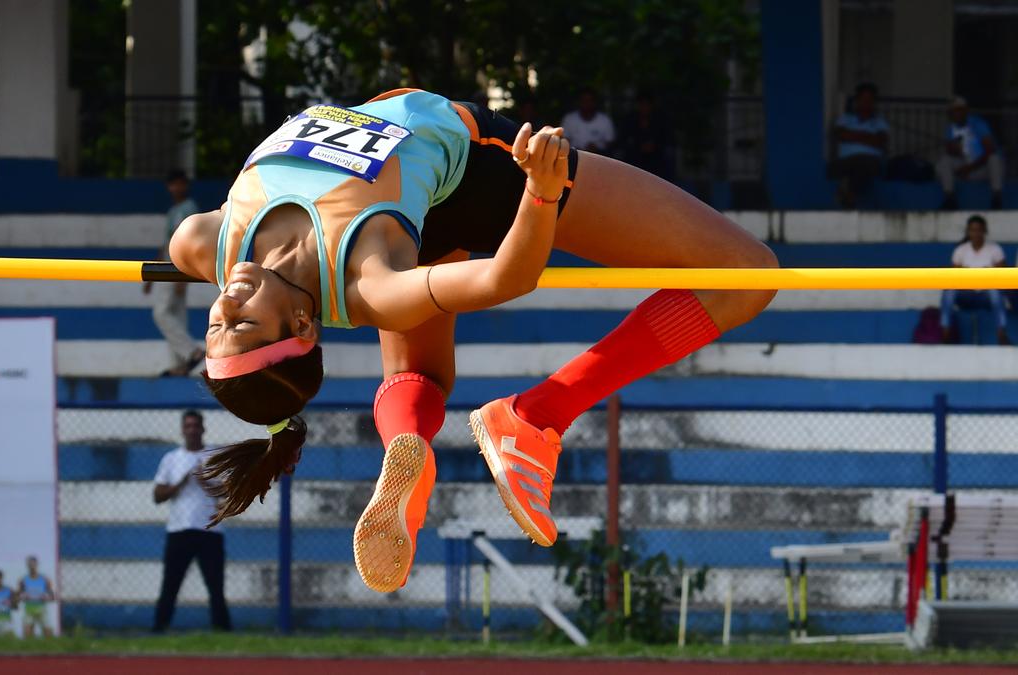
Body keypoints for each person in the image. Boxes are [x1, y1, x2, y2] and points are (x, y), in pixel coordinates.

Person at [170, 88, 776, 594]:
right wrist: (540, 189)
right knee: (747, 273)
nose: (225, 302)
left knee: (422, 381)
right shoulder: (370, 283)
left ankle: (408, 442)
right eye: (243, 322)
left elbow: (214, 278)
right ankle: (539, 415)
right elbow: (504, 278)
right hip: (480, 173)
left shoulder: (201, 244)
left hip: (418, 203)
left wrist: (243, 320)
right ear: (303, 326)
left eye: (216, 324)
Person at [151, 409, 232, 633]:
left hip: (209, 531)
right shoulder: (171, 459)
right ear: (182, 430)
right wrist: (182, 482)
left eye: (196, 426)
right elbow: (158, 496)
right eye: (188, 426)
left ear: (203, 429)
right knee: (171, 583)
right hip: (179, 530)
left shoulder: (215, 454)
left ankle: (222, 630)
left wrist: (206, 480)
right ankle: (159, 627)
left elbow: (229, 490)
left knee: (215, 585)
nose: (192, 430)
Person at [145, 169, 205, 376]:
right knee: (177, 315)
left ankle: (192, 352)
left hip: (178, 267)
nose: (176, 188)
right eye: (173, 184)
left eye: (180, 184)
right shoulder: (174, 211)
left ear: (185, 186)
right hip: (167, 267)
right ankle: (181, 364)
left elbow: (192, 241)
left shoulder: (190, 209)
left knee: (160, 313)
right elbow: (166, 243)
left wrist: (186, 275)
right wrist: (151, 276)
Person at [941, 214, 1009, 345]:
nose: (976, 233)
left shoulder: (995, 249)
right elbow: (954, 278)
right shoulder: (960, 250)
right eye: (972, 230)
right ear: (968, 231)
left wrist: (987, 275)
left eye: (979, 230)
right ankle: (945, 334)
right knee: (949, 291)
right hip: (966, 294)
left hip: (986, 295)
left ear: (985, 231)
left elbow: (1003, 277)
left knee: (995, 292)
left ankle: (1001, 335)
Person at [937, 97, 1005, 210]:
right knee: (943, 162)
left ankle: (996, 198)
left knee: (994, 158)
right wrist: (954, 149)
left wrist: (969, 168)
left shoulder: (978, 124)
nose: (956, 113)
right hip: (967, 168)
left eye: (959, 110)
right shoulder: (950, 129)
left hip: (983, 169)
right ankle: (950, 198)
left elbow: (989, 150)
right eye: (953, 111)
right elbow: (951, 152)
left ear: (965, 111)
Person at [830, 82, 888, 208]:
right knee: (835, 167)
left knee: (864, 163)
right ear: (857, 100)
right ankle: (848, 194)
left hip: (871, 162)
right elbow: (841, 135)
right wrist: (867, 136)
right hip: (845, 161)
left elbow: (880, 141)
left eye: (870, 99)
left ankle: (849, 195)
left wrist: (853, 135)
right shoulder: (845, 118)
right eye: (863, 98)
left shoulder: (879, 121)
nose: (866, 102)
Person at [618, 88, 673, 181]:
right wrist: (638, 146)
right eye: (642, 104)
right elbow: (622, 141)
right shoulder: (630, 120)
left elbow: (668, 140)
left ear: (652, 106)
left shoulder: (661, 120)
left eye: (647, 104)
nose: (644, 108)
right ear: (638, 105)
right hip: (635, 158)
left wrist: (654, 146)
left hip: (656, 159)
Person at [560, 87, 615, 156]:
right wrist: (577, 150)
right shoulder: (569, 119)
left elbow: (610, 143)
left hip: (599, 157)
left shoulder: (605, 120)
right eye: (584, 100)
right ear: (579, 102)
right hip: (573, 156)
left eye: (590, 100)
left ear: (595, 102)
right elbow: (563, 141)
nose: (587, 103)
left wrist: (597, 148)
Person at [17, 555, 55, 638]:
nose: (32, 567)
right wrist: (22, 597)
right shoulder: (23, 580)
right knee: (27, 632)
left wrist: (46, 598)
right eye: (29, 565)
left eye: (33, 564)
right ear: (27, 566)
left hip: (42, 610)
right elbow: (18, 597)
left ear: (37, 565)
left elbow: (52, 597)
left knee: (48, 632)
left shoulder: (44, 579)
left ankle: (48, 648)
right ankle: (29, 648)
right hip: (29, 610)